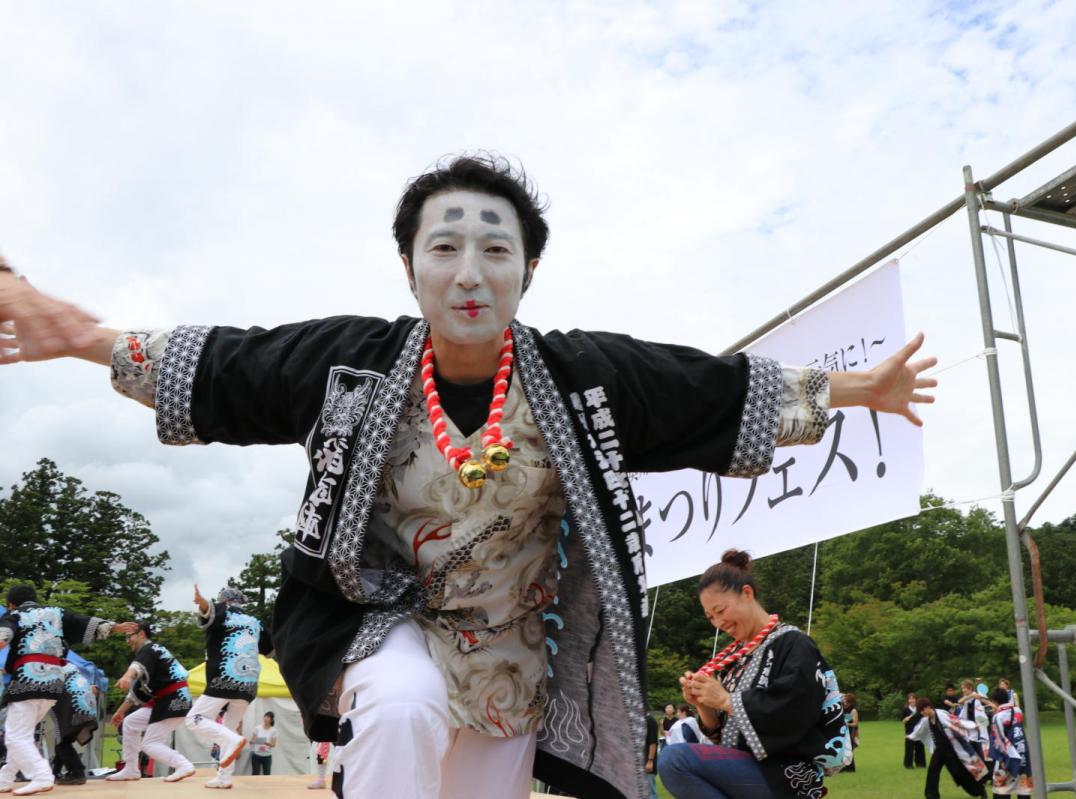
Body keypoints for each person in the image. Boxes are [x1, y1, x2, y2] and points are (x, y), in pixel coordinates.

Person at [0, 154, 937, 798]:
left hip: (513, 651)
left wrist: (860, 388)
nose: (469, 271)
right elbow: (226, 365)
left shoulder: (585, 377)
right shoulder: (349, 363)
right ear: (408, 265)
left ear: (529, 267)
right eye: (443, 247)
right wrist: (79, 333)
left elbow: (711, 389)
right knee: (403, 705)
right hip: (382, 622)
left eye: (495, 249)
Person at [660, 550, 852, 799]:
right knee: (676, 761)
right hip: (743, 768)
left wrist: (727, 701)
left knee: (675, 760)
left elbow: (794, 712)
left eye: (720, 610)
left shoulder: (795, 644)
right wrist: (704, 705)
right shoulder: (735, 658)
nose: (718, 623)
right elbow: (722, 737)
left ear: (747, 593)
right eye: (710, 617)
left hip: (786, 773)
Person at [0, 584, 135, 795]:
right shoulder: (56, 612)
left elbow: (4, 635)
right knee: (21, 733)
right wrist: (115, 626)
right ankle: (5, 779)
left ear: (11, 604)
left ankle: (41, 776)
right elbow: (83, 621)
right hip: (54, 682)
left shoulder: (14, 615)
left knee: (15, 736)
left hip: (29, 679)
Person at [187, 584, 274, 789]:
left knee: (193, 719)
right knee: (229, 727)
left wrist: (202, 603)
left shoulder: (222, 611)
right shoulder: (255, 621)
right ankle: (224, 777)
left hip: (225, 676)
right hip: (250, 684)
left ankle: (234, 740)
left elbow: (210, 611)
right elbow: (269, 651)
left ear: (224, 601)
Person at [106, 622, 196, 783]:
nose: (127, 641)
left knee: (150, 744)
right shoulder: (154, 654)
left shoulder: (149, 649)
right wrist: (120, 711)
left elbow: (137, 667)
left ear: (141, 634)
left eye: (129, 636)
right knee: (130, 723)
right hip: (170, 699)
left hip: (173, 700)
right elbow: (138, 692)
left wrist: (127, 675)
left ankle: (183, 765)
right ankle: (131, 769)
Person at [907, 697, 988, 799]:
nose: (921, 713)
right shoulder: (926, 720)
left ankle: (980, 791)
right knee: (932, 770)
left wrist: (971, 725)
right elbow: (919, 729)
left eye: (922, 710)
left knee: (960, 774)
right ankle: (931, 795)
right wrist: (911, 736)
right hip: (939, 750)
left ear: (927, 707)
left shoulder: (941, 715)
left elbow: (957, 721)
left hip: (951, 750)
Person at [48, 661, 100, 786]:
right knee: (62, 740)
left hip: (73, 706)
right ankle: (54, 773)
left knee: (62, 743)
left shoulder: (49, 666)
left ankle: (77, 772)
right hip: (86, 705)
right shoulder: (70, 665)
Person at [988, 686, 1032, 796]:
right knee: (1023, 791)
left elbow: (998, 740)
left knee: (1001, 791)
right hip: (1023, 755)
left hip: (1008, 756)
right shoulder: (1018, 711)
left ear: (995, 701)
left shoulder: (997, 717)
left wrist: (1001, 759)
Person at [903, 691, 927, 769]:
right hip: (909, 731)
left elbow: (924, 719)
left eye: (913, 699)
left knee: (919, 748)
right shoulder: (906, 710)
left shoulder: (919, 709)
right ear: (908, 700)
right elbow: (903, 722)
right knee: (909, 749)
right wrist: (905, 720)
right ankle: (908, 765)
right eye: (910, 699)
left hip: (919, 731)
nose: (912, 700)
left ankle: (921, 764)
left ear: (916, 700)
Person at [643, 710, 659, 799]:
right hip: (640, 760)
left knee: (651, 792)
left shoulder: (650, 720)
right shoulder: (640, 720)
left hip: (647, 760)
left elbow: (653, 743)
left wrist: (650, 761)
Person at [842, 693, 859, 772]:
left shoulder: (853, 710)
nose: (845, 703)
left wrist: (847, 724)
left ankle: (850, 768)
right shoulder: (840, 708)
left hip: (850, 733)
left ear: (851, 702)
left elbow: (855, 723)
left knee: (849, 750)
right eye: (845, 700)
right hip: (842, 732)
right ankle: (842, 767)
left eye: (847, 701)